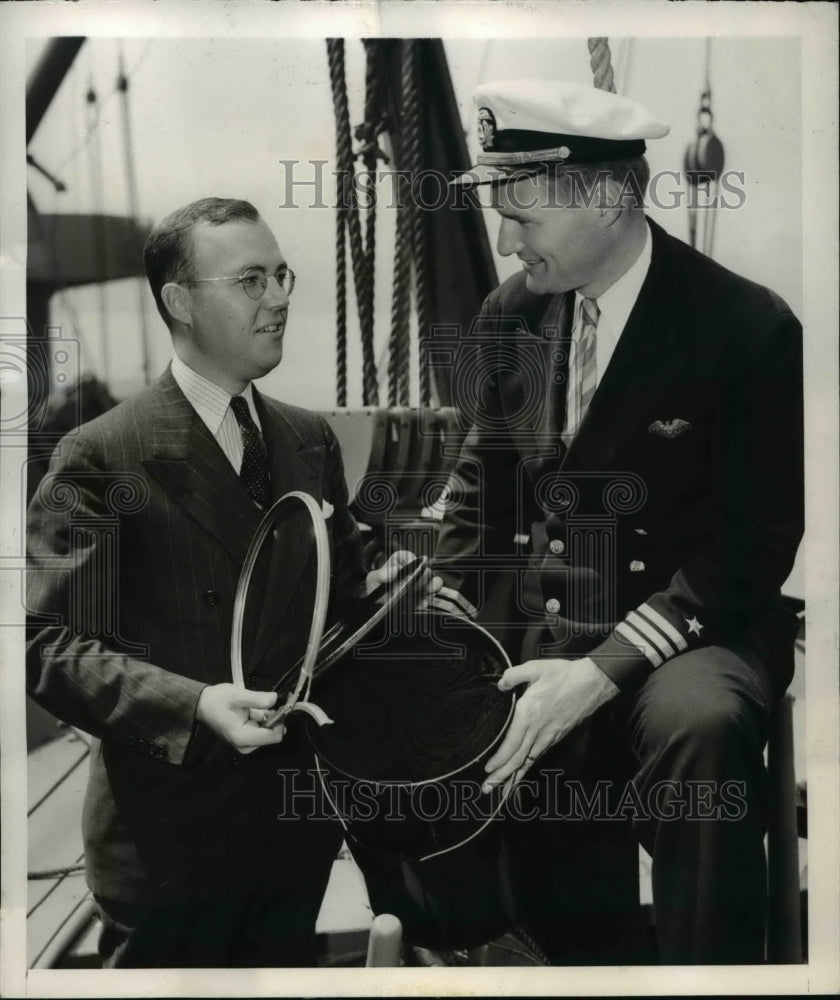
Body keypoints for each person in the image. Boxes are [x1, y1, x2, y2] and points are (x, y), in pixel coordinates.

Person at [433, 80, 804, 964]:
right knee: (452, 717)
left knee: (701, 728)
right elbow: (482, 501)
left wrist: (601, 672)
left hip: (688, 633)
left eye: (521, 216)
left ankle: (711, 973)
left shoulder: (745, 328)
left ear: (608, 198)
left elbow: (752, 548)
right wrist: (445, 622)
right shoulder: (508, 317)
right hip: (546, 630)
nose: (503, 238)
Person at [26, 197, 415, 968]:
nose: (278, 298)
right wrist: (197, 704)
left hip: (292, 842)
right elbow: (45, 645)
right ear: (180, 302)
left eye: (280, 275)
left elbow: (334, 610)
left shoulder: (308, 440)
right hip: (170, 856)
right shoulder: (102, 454)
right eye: (249, 281)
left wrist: (394, 598)